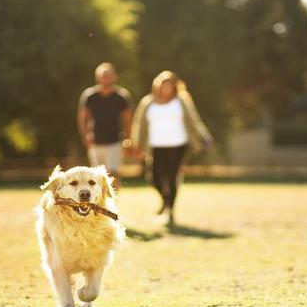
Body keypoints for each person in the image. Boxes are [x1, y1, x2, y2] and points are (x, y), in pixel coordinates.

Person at [131, 71, 213, 225]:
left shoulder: (181, 101)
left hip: (178, 144)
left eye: (170, 85)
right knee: (154, 177)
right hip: (156, 145)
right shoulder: (149, 102)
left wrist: (205, 137)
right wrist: (136, 143)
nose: (167, 88)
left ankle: (170, 210)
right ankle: (166, 201)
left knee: (172, 176)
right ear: (158, 85)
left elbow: (194, 120)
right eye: (164, 84)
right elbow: (139, 124)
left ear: (174, 87)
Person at [78, 63, 133, 188]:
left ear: (114, 77)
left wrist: (128, 138)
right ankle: (99, 204)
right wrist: (85, 135)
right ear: (98, 78)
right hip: (95, 141)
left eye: (108, 76)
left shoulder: (122, 96)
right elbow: (83, 117)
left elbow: (128, 119)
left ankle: (112, 203)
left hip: (115, 141)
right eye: (103, 76)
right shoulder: (89, 96)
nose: (106, 79)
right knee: (96, 176)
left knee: (113, 174)